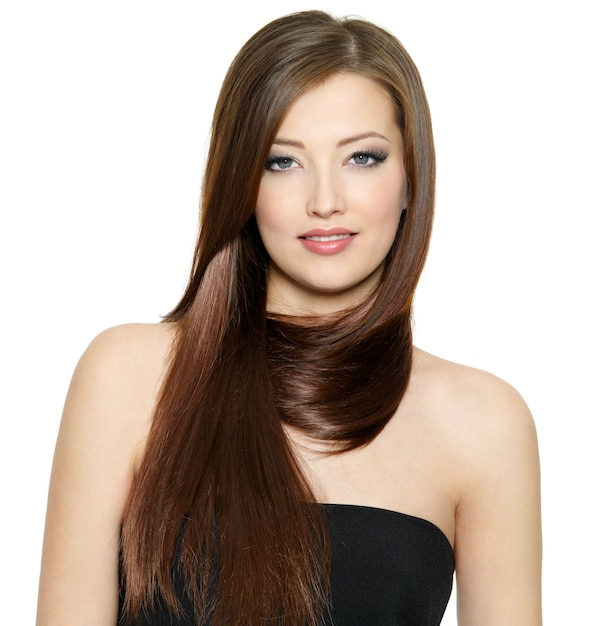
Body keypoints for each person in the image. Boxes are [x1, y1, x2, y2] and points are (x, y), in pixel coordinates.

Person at [36, 10, 542, 626]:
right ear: (241, 183)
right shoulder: (128, 377)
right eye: (283, 162)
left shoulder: (483, 424)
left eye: (362, 157)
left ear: (412, 179)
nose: (325, 200)